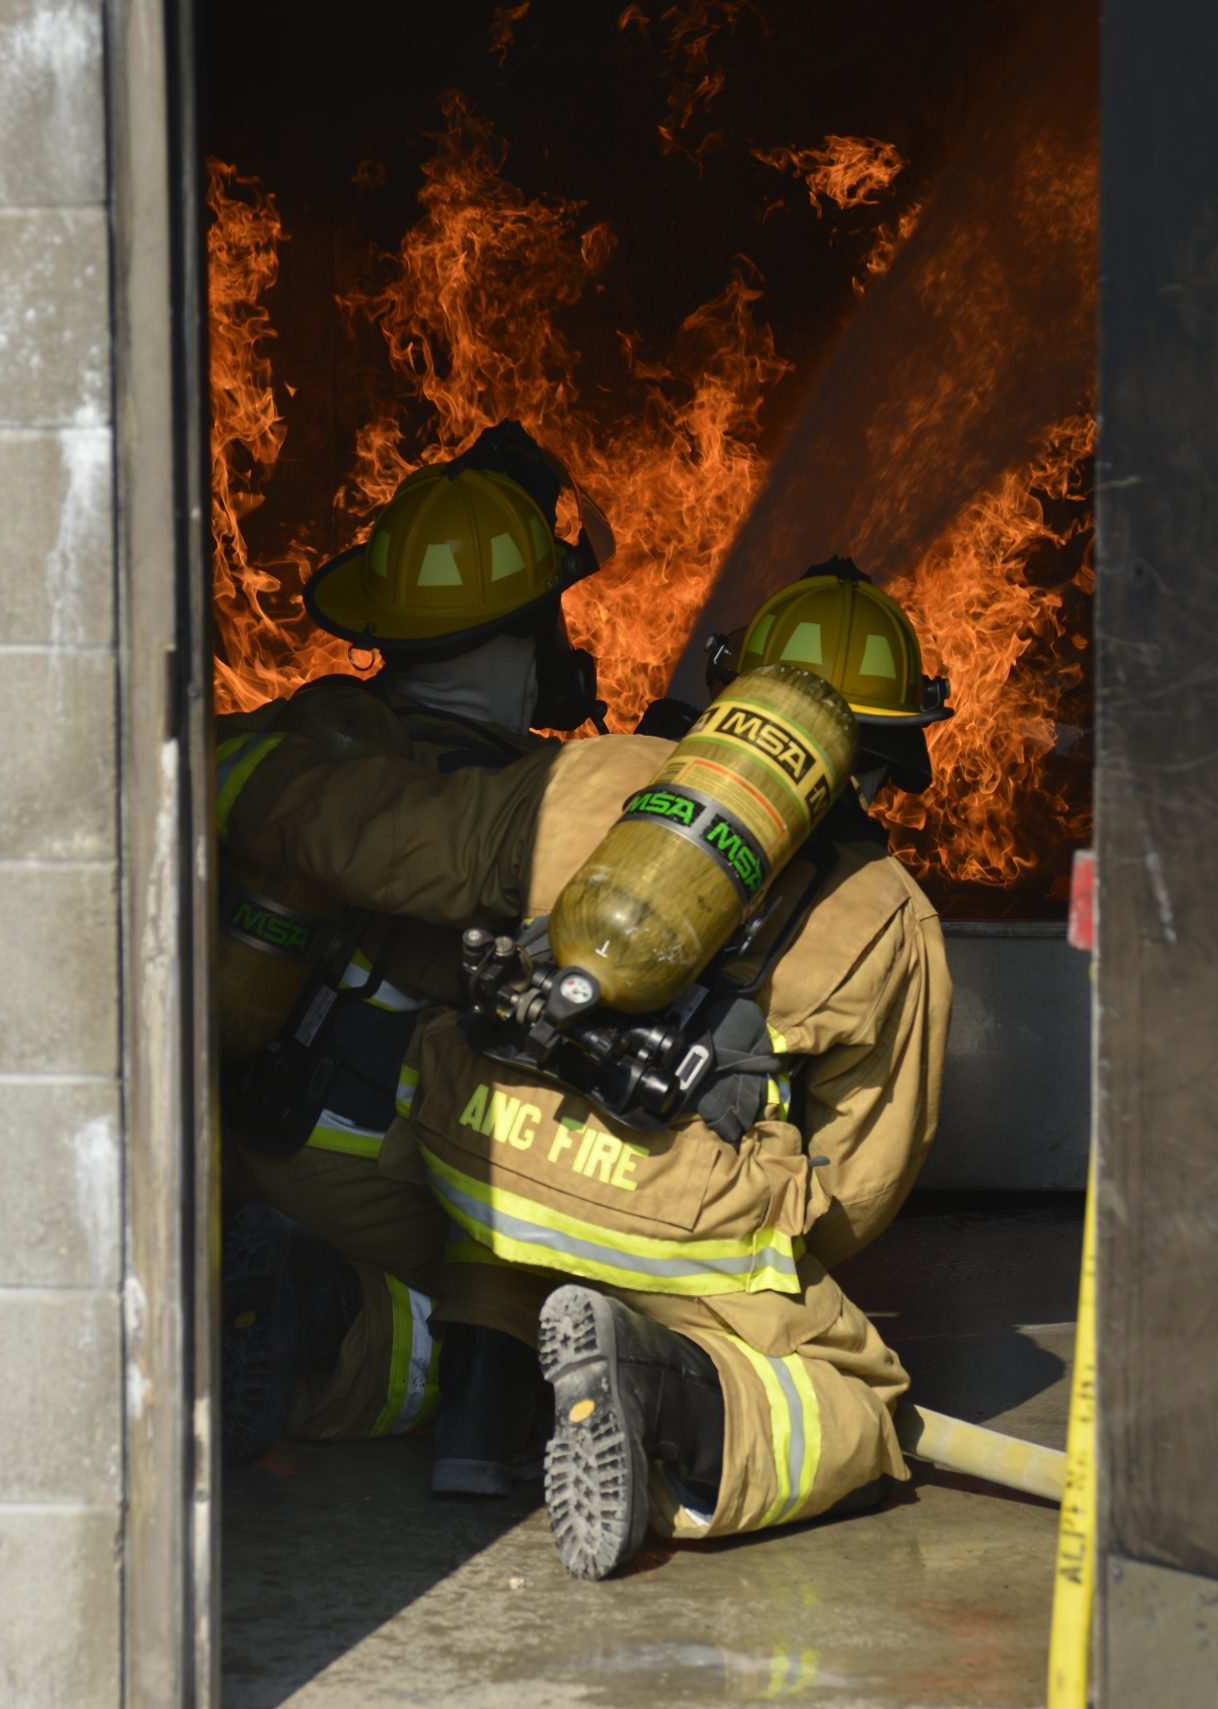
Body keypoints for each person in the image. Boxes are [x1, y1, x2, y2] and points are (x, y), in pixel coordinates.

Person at [216, 558, 954, 1578]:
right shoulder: (892, 914)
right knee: (859, 1395)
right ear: (880, 758)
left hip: (474, 1154)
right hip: (665, 1212)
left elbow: (380, 843)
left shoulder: (593, 774)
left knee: (507, 1266)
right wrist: (744, 1255)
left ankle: (362, 1335)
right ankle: (661, 1392)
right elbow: (859, 1186)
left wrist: (216, 766)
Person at [214, 422, 618, 1495]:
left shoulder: (311, 737)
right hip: (384, 1180)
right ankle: (333, 1319)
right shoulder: (506, 814)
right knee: (525, 1345)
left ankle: (248, 1291)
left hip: (241, 1134)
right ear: (527, 634)